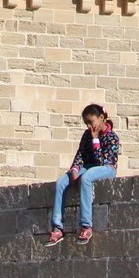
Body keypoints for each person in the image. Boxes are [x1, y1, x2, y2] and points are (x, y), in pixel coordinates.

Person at [46, 102, 120, 245]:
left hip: (106, 167)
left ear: (101, 118)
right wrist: (74, 169)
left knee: (86, 179)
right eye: (86, 123)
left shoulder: (112, 137)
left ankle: (86, 226)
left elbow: (101, 162)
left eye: (91, 122)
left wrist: (95, 139)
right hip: (88, 166)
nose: (89, 126)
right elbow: (81, 154)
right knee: (61, 182)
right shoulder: (86, 135)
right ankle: (57, 228)